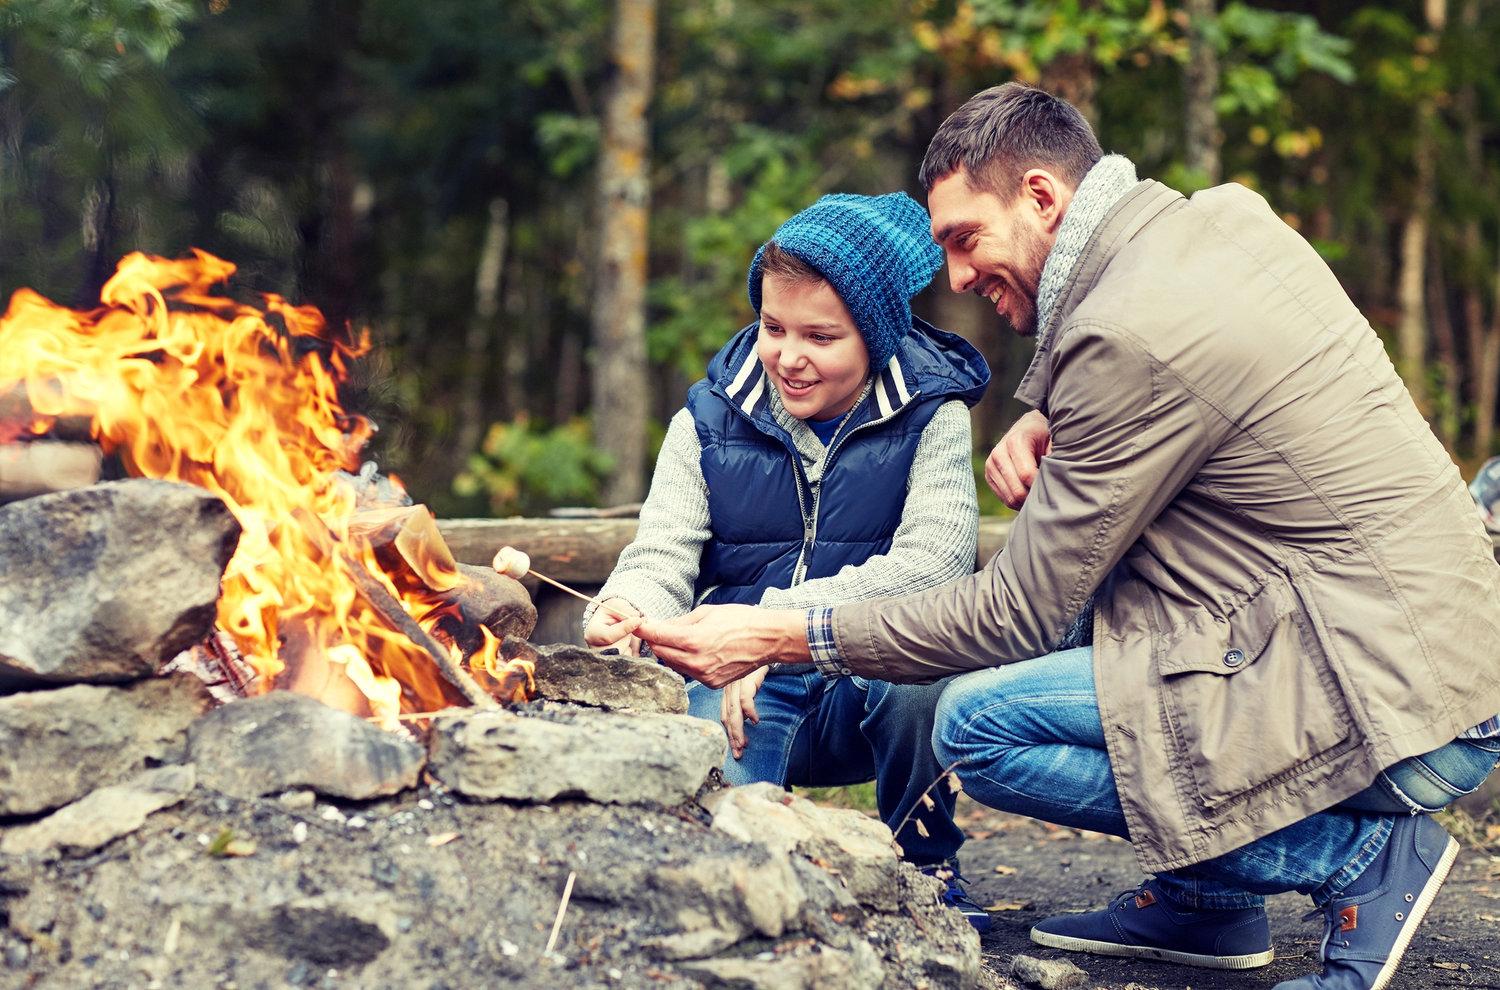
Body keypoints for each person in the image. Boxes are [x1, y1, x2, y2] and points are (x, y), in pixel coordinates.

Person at [637, 83, 1500, 990]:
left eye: (965, 240)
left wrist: (778, 633)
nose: (958, 278)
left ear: (1042, 198)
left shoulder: (1127, 336)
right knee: (1100, 624)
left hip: (1398, 711)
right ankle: (1206, 905)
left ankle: (1353, 861)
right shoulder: (1221, 224)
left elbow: (1015, 613)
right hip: (1440, 654)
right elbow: (1207, 395)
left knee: (978, 722)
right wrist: (1056, 412)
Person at [581, 192, 994, 929]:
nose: (789, 357)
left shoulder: (934, 415)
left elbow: (935, 565)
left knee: (929, 672)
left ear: (875, 336)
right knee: (732, 856)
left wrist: (768, 623)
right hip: (742, 691)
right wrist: (630, 605)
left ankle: (924, 863)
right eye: (773, 327)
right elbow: (662, 552)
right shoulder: (707, 419)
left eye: (820, 337)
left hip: (864, 687)